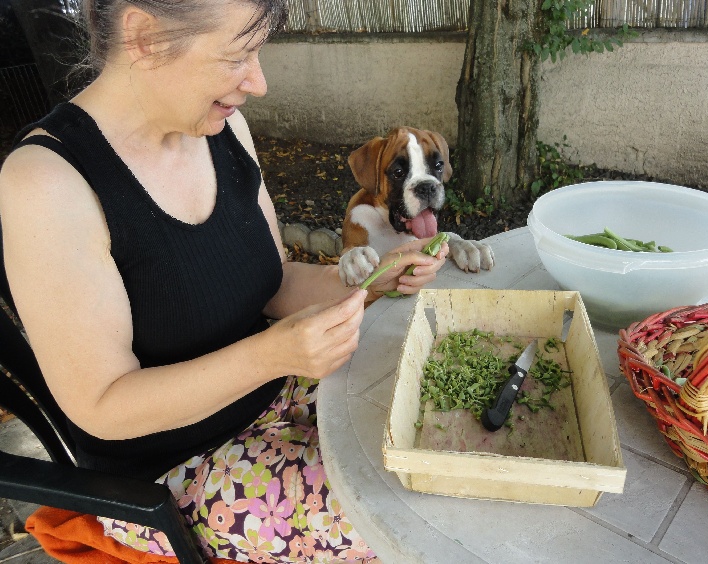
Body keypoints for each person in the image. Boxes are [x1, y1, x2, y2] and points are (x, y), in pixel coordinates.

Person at [0, 0, 448, 561]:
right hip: (175, 471)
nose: (258, 83)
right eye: (239, 55)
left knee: (439, 434)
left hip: (278, 395)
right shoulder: (46, 183)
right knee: (409, 515)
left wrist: (378, 278)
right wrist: (272, 356)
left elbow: (274, 281)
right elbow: (101, 406)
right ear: (146, 35)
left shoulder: (224, 125)